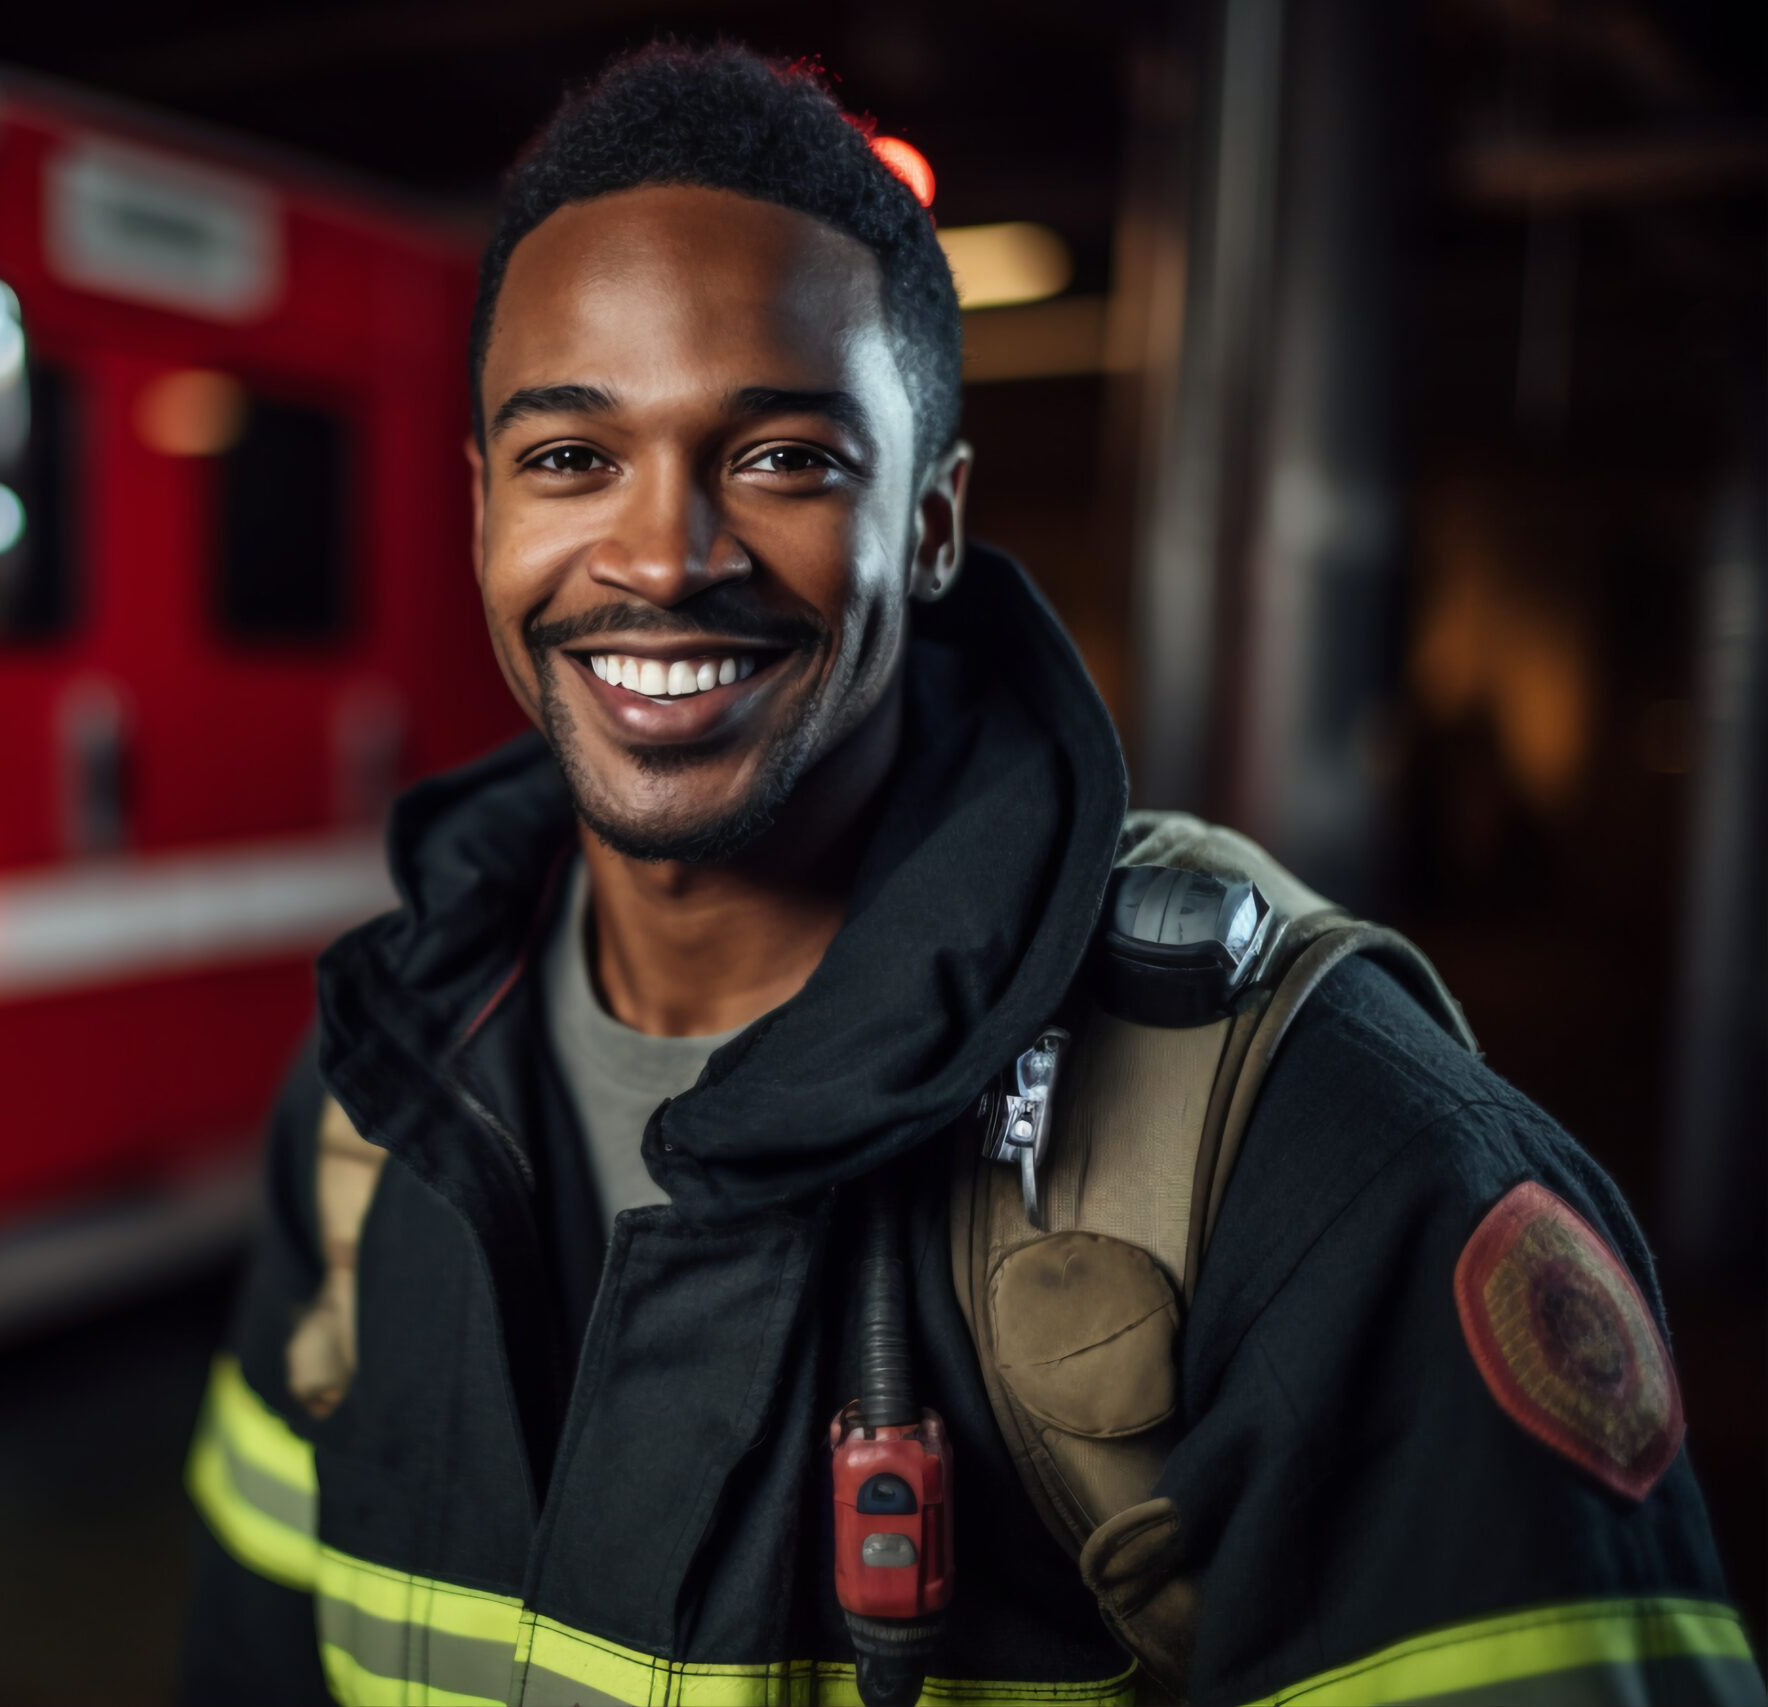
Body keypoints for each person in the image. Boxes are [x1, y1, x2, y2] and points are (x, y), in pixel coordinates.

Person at [178, 41, 1759, 1707]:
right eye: (574, 459)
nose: (660, 557)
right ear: (485, 508)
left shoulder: (1325, 1161)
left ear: (932, 526)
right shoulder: (380, 1090)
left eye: (784, 457)